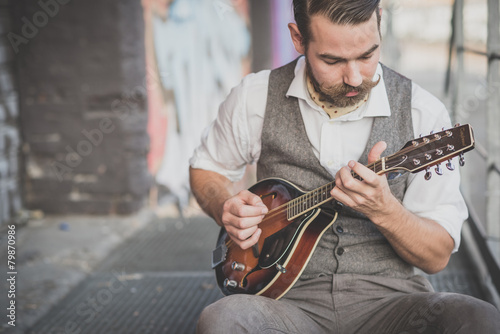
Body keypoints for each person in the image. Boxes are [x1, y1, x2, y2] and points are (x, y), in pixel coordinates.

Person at [189, 0, 500, 333]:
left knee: (480, 319)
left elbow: (436, 258)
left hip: (393, 305)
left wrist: (385, 211)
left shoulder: (423, 111)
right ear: (298, 38)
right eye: (332, 60)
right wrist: (226, 204)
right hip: (283, 303)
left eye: (367, 55)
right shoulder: (255, 97)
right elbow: (207, 168)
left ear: (379, 20)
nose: (354, 78)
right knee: (220, 320)